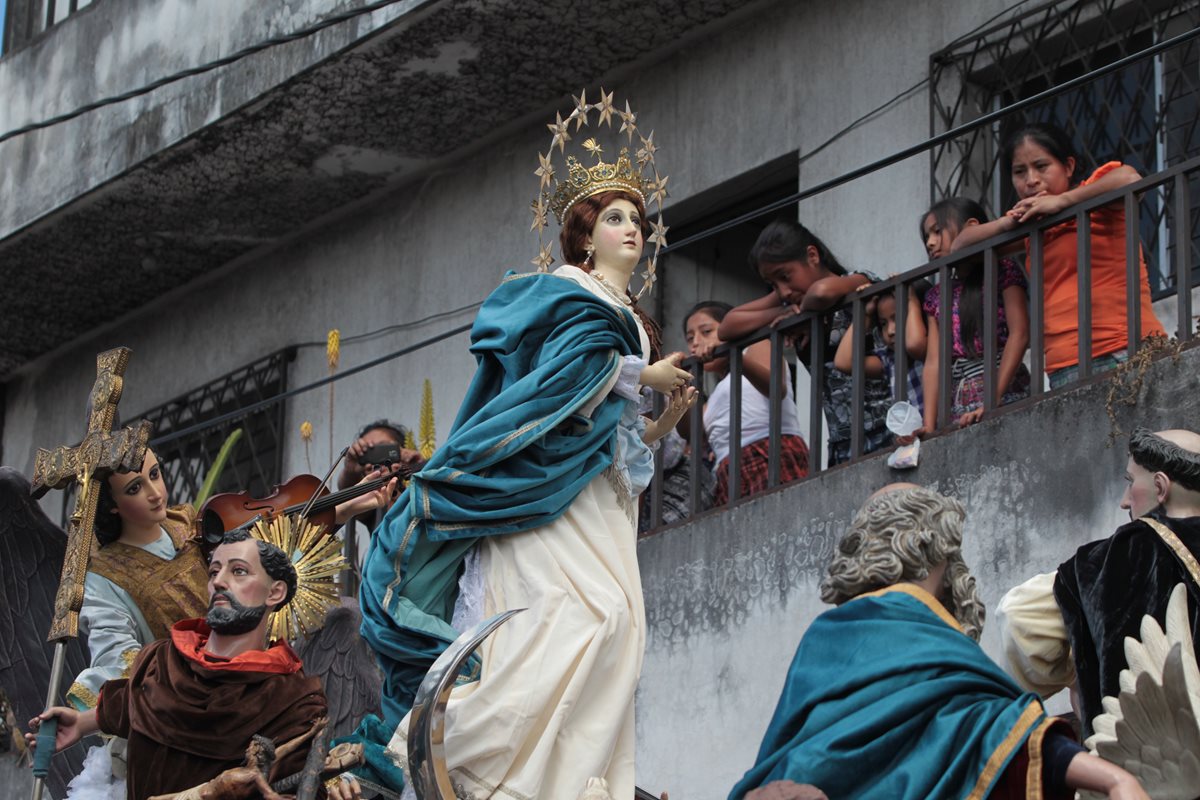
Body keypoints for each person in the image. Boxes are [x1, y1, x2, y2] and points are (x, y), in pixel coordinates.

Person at [351, 99, 695, 800]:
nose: (633, 228)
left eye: (636, 217)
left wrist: (656, 425)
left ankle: (563, 782)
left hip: (594, 503)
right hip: (543, 505)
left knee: (618, 636)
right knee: (579, 623)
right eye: (614, 218)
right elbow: (552, 393)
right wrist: (636, 374)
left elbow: (605, 441)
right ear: (584, 237)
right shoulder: (571, 297)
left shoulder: (626, 316)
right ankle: (450, 747)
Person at [729, 484, 1148, 800]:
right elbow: (992, 729)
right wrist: (1115, 778)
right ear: (934, 547)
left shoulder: (827, 633)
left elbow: (787, 754)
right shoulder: (921, 627)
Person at [28, 529, 343, 800]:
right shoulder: (161, 661)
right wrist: (81, 724)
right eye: (214, 571)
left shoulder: (295, 704)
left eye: (238, 571)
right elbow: (131, 703)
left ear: (275, 591)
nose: (219, 581)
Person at [998, 427, 1200, 735]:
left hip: (1145, 770)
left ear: (1160, 487)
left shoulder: (1127, 552)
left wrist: (1077, 671)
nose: (1123, 501)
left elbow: (1019, 617)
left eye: (1130, 482)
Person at [949, 122, 1165, 389]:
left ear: (1069, 167)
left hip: (1124, 346)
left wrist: (1063, 201)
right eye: (1019, 172)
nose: (1031, 180)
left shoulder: (1095, 196)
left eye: (1041, 167)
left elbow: (1130, 179)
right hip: (1063, 363)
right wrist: (1009, 223)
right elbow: (960, 249)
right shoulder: (1030, 225)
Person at [718, 220, 894, 465]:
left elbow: (821, 293)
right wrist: (782, 315)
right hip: (843, 443)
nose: (784, 291)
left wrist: (800, 315)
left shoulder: (857, 281)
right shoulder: (789, 303)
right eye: (773, 285)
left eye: (785, 276)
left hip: (890, 427)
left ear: (812, 255)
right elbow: (727, 326)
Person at [67, 448, 209, 711]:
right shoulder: (104, 577)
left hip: (242, 656)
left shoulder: (188, 521)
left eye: (154, 474)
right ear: (112, 505)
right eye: (134, 489)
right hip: (185, 697)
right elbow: (114, 649)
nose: (155, 493)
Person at [917, 198, 1031, 433]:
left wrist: (992, 399)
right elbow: (934, 362)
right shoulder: (937, 295)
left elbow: (1019, 333)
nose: (930, 242)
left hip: (1005, 387)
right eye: (926, 237)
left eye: (937, 232)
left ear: (971, 227)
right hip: (959, 398)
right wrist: (928, 425)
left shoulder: (1002, 270)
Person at [685, 300, 809, 505]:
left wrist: (733, 357)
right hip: (728, 471)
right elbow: (691, 436)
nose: (696, 342)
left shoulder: (756, 346)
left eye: (706, 331)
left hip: (767, 452)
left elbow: (776, 387)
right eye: (690, 339)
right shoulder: (715, 396)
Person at [831, 286, 926, 414]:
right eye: (883, 324)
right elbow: (843, 362)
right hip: (911, 433)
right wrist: (865, 315)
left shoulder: (931, 346)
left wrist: (912, 301)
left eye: (897, 318)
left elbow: (915, 343)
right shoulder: (890, 359)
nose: (890, 331)